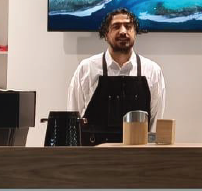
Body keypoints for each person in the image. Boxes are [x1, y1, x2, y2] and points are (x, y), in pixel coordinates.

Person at [67, 7, 167, 142]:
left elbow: (155, 123)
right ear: (106, 34)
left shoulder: (152, 71)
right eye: (116, 27)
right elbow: (73, 119)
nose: (123, 31)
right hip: (93, 152)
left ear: (135, 33)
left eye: (128, 26)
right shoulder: (86, 69)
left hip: (138, 152)